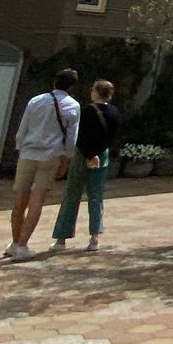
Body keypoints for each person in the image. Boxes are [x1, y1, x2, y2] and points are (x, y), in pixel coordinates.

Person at [7, 68, 80, 260]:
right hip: (51, 155)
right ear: (72, 87)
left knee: (20, 199)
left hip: (28, 153)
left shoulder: (36, 100)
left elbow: (23, 128)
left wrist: (21, 147)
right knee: (37, 200)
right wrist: (67, 157)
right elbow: (71, 138)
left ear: (54, 82)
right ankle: (23, 244)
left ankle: (15, 242)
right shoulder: (73, 106)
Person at [51, 79, 119, 253]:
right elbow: (111, 137)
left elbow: (80, 136)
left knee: (72, 195)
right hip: (101, 156)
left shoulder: (87, 110)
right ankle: (95, 237)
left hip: (83, 155)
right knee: (96, 197)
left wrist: (89, 155)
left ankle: (62, 237)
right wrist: (97, 153)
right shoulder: (113, 112)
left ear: (96, 92)